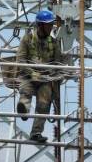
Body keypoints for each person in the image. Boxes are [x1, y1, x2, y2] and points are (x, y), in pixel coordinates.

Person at [16, 10, 63, 143]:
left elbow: (57, 63)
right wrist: (32, 73)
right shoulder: (28, 39)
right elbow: (20, 60)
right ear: (40, 25)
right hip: (28, 76)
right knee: (25, 91)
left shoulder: (53, 43)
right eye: (48, 25)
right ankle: (24, 110)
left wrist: (53, 76)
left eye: (51, 25)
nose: (50, 27)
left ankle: (36, 133)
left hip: (45, 79)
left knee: (44, 103)